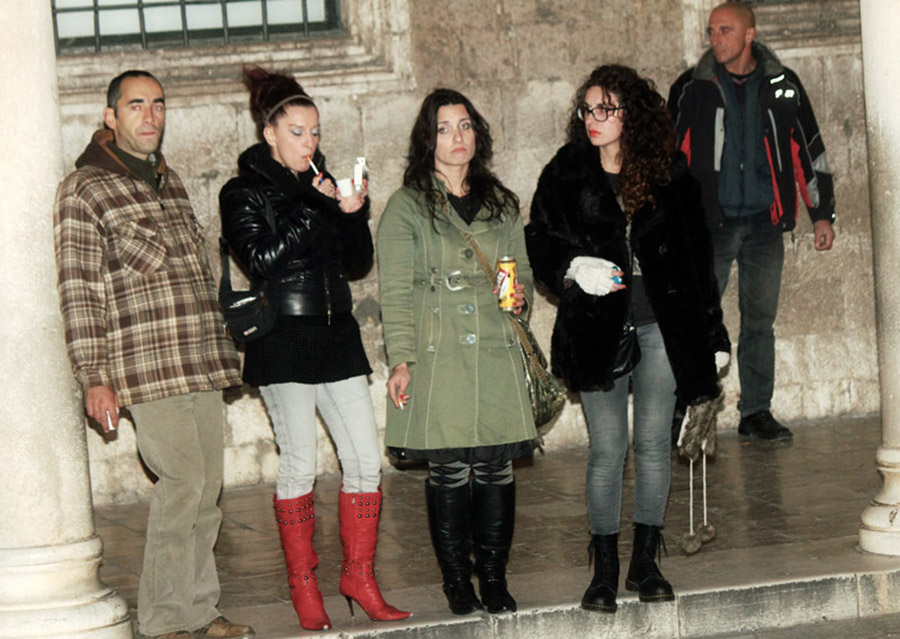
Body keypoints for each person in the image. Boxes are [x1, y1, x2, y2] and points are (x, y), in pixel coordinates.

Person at [53, 70, 253, 639]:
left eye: (158, 104)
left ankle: (200, 610)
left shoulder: (171, 180)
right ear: (110, 117)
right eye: (136, 105)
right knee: (183, 482)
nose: (150, 116)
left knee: (207, 489)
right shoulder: (84, 189)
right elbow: (79, 288)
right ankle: (165, 619)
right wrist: (94, 376)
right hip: (146, 364)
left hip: (200, 358)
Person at [525, 65, 730, 613]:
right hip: (597, 325)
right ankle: (605, 570)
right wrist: (573, 267)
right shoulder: (567, 171)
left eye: (606, 108)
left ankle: (645, 562)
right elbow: (538, 240)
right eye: (588, 108)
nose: (593, 118)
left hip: (663, 324)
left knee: (654, 444)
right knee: (608, 448)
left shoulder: (669, 173)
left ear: (630, 114)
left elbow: (698, 259)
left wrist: (714, 335)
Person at [218, 67, 410, 631]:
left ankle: (359, 576)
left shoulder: (323, 182)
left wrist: (350, 215)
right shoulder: (243, 191)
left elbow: (357, 263)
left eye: (316, 132)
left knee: (365, 461)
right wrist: (312, 206)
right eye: (297, 132)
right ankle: (304, 584)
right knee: (300, 463)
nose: (309, 142)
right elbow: (260, 259)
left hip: (336, 333)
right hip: (282, 337)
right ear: (269, 133)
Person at [377, 88, 536, 616]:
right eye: (444, 128)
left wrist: (518, 296)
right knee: (448, 470)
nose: (457, 137)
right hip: (438, 352)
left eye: (465, 125)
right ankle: (456, 581)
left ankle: (493, 575)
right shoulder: (406, 207)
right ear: (428, 140)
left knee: (495, 468)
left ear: (477, 133)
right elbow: (395, 292)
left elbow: (519, 270)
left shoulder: (502, 203)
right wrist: (402, 361)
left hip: (493, 349)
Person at [668, 1, 836, 443]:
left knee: (760, 323)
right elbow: (669, 158)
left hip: (765, 224)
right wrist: (670, 219)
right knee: (697, 320)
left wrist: (822, 214)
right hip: (711, 226)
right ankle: (687, 411)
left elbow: (808, 149)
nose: (715, 39)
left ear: (750, 35)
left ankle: (756, 412)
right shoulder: (691, 87)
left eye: (725, 30)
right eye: (711, 31)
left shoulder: (783, 85)